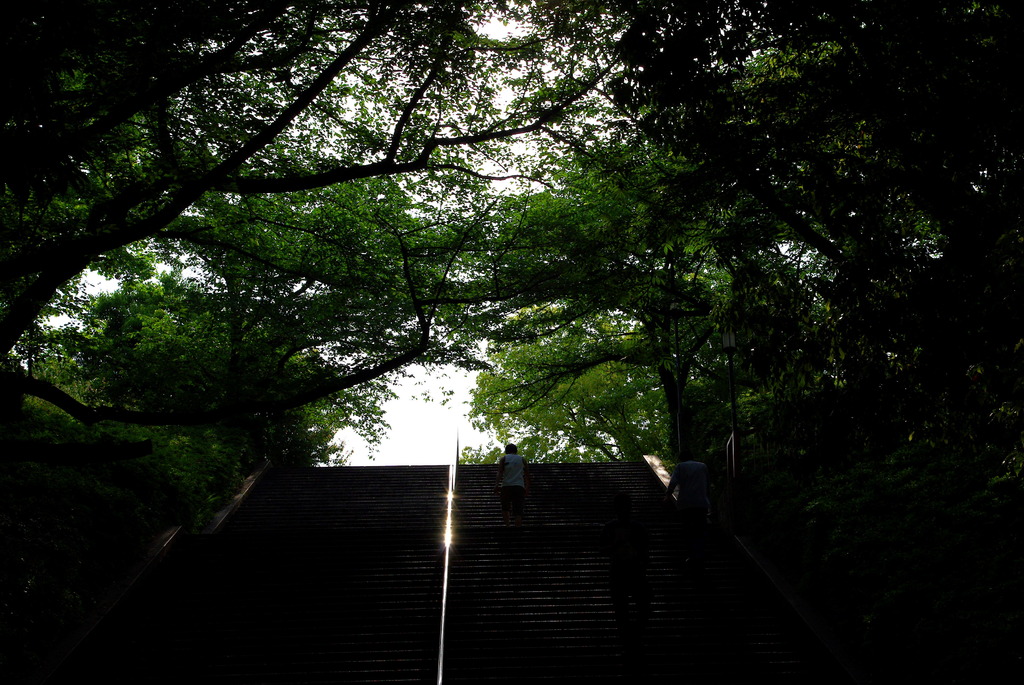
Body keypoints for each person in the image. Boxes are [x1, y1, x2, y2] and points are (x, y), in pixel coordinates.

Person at [601, 491, 652, 646]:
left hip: (621, 570)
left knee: (622, 607)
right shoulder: (637, 527)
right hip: (630, 570)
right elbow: (646, 550)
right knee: (638, 604)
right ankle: (633, 635)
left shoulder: (611, 527)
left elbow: (603, 549)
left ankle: (629, 635)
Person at [663, 456, 711, 575]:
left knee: (689, 531)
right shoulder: (703, 466)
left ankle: (692, 555)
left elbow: (673, 482)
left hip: (686, 504)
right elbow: (708, 484)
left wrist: (667, 496)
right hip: (701, 504)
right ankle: (700, 556)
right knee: (701, 530)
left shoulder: (680, 467)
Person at [494, 443, 530, 526]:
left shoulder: (504, 459)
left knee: (505, 507)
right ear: (516, 451)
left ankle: (507, 525)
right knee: (518, 509)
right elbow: (527, 475)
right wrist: (527, 488)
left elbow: (500, 472)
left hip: (506, 486)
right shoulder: (522, 459)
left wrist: (496, 485)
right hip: (519, 486)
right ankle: (517, 527)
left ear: (506, 451)